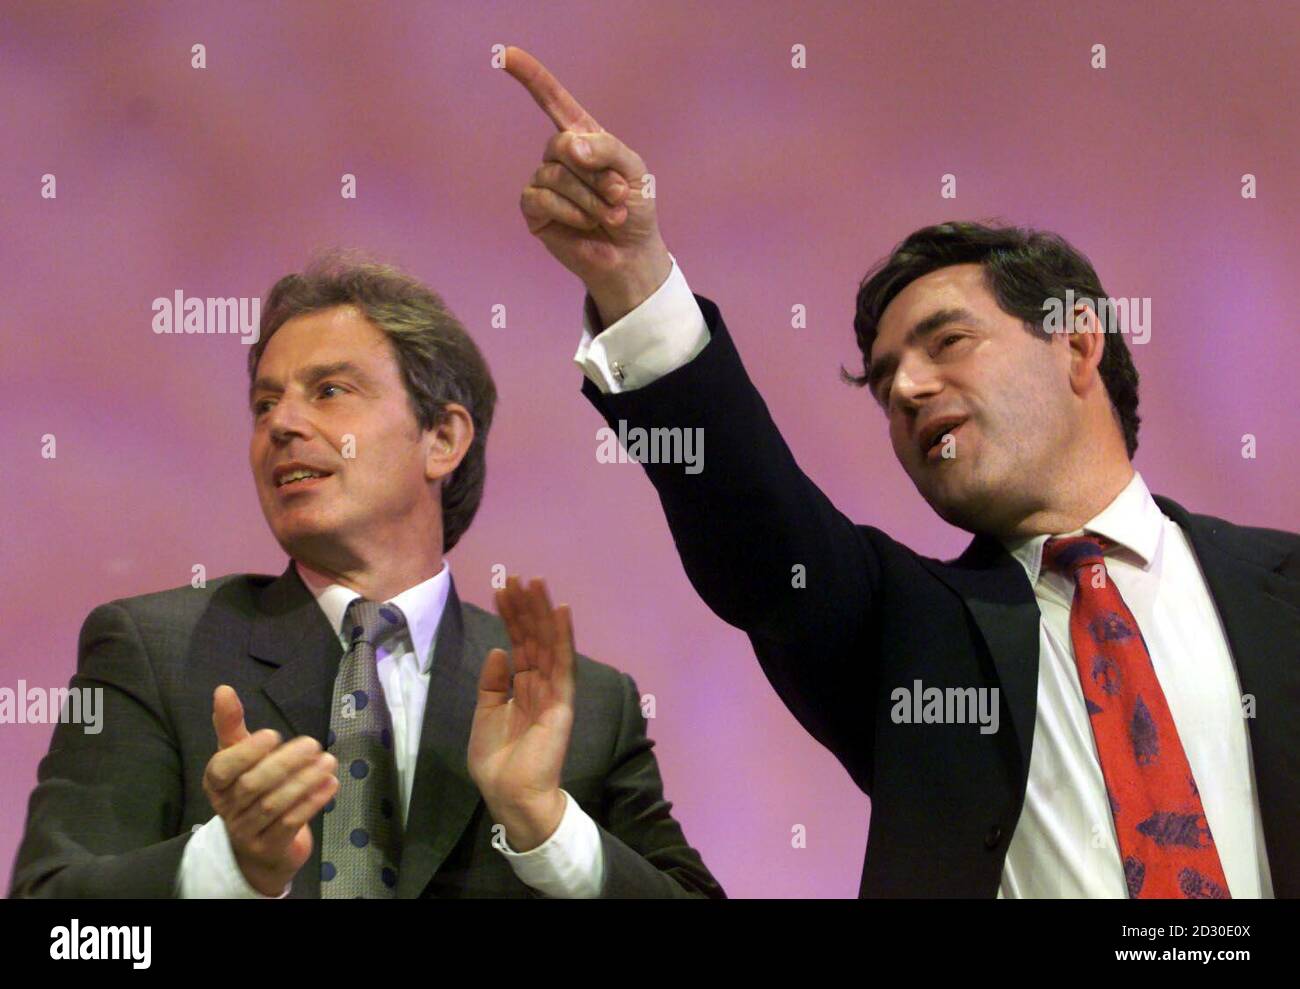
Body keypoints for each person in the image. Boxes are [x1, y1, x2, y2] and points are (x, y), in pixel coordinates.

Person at [503, 45, 1297, 898]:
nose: (909, 388)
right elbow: (758, 531)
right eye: (885, 383)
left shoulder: (1281, 589)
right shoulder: (907, 632)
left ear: (1077, 343)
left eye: (948, 343)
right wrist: (632, 278)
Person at [9, 252, 723, 899]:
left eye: (328, 391)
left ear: (441, 438)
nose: (281, 423)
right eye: (264, 403)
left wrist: (549, 828)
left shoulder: (586, 709)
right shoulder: (154, 652)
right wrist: (223, 868)